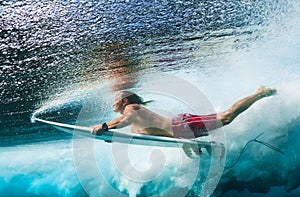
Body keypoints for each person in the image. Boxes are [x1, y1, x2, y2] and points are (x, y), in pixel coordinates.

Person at [92, 86, 277, 141]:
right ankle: (259, 93)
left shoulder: (130, 109)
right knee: (225, 118)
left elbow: (126, 120)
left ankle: (260, 93)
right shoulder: (135, 119)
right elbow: (151, 133)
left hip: (183, 126)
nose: (113, 102)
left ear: (124, 100)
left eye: (116, 99)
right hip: (183, 131)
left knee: (226, 117)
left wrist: (104, 126)